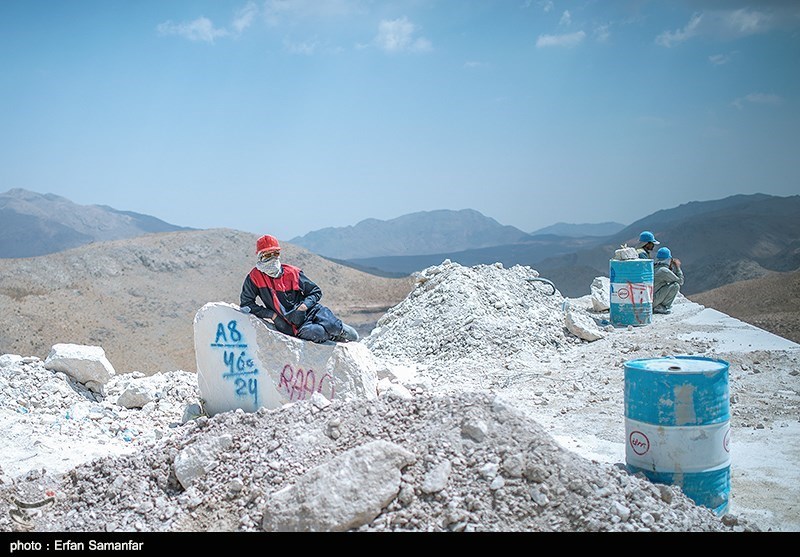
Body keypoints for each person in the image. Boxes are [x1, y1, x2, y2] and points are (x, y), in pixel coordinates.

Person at [239, 234, 359, 344]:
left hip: (311, 311)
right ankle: (330, 336)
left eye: (275, 253)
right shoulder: (254, 277)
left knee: (334, 326)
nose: (273, 258)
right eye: (268, 255)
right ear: (260, 256)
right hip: (291, 324)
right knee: (317, 333)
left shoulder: (292, 273)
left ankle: (337, 329)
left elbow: (315, 291)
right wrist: (272, 315)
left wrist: (304, 306)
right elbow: (246, 304)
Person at [652, 247, 684, 314]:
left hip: (650, 299)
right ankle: (661, 307)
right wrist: (677, 267)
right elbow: (680, 281)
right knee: (676, 285)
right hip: (653, 301)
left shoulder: (654, 267)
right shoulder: (664, 271)